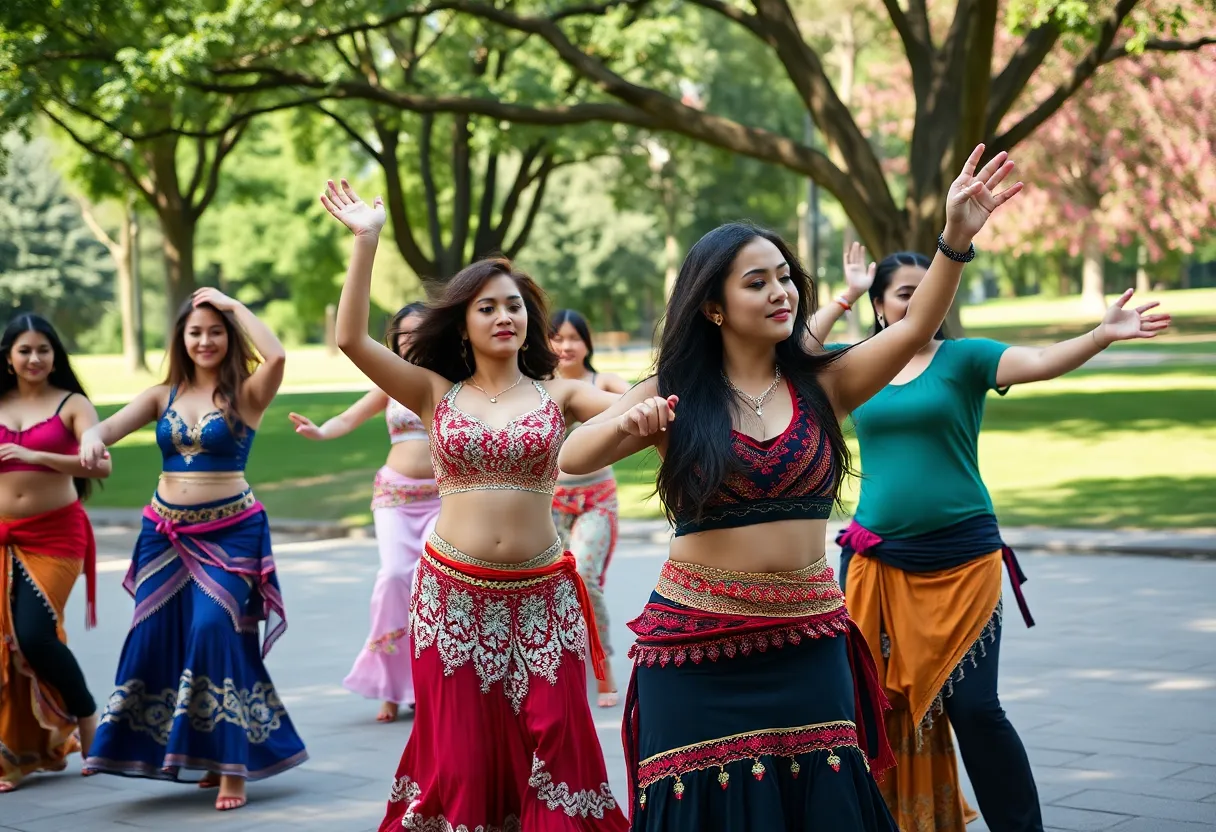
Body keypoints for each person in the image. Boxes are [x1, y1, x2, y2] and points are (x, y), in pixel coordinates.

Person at [560, 145, 1022, 831]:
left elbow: (919, 324)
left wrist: (955, 238)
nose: (780, 292)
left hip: (809, 643)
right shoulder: (675, 392)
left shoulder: (826, 381)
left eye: (784, 277)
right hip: (697, 647)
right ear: (713, 307)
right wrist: (632, 418)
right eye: (757, 282)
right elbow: (572, 455)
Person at [808, 244, 1171, 832]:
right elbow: (795, 353)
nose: (922, 301)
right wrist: (843, 295)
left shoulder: (964, 359)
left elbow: (1042, 359)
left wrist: (1100, 335)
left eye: (930, 292)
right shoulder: (857, 363)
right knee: (871, 711)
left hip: (963, 559)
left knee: (975, 708)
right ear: (879, 307)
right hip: (877, 564)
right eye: (905, 293)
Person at [322, 177, 629, 831]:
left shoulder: (561, 394)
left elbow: (641, 413)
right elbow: (351, 340)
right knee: (461, 760)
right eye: (487, 307)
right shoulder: (434, 390)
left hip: (544, 594)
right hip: (452, 596)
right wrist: (366, 242)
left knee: (563, 747)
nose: (504, 317)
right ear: (464, 320)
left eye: (514, 306)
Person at [79, 289, 306, 812]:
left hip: (232, 532)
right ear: (182, 338)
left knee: (212, 630)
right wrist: (92, 435)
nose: (205, 340)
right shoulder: (164, 394)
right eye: (196, 331)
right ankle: (193, 752)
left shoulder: (246, 394)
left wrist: (231, 305)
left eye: (216, 331)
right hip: (164, 533)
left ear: (230, 337)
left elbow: (277, 356)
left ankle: (232, 768)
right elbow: (109, 426)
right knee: (157, 633)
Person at [288, 302, 438, 723]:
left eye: (420, 333)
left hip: (445, 499)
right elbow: (350, 417)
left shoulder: (454, 379)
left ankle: (426, 683)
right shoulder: (392, 381)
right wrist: (321, 431)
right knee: (393, 578)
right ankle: (389, 686)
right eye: (404, 334)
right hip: (395, 496)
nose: (412, 341)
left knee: (433, 587)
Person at [0, 314, 110, 793]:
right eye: (25, 350)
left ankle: (88, 718)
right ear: (8, 356)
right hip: (2, 531)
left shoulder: (72, 404)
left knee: (34, 635)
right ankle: (15, 753)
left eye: (43, 349)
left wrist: (36, 456)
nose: (35, 358)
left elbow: (102, 461)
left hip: (56, 534)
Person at [550, 309, 632, 708]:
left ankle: (604, 671)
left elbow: (637, 397)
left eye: (574, 338)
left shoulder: (601, 383)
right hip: (548, 503)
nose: (566, 346)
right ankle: (559, 669)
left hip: (596, 499)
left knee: (584, 576)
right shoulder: (537, 387)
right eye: (557, 338)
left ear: (587, 343)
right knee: (550, 590)